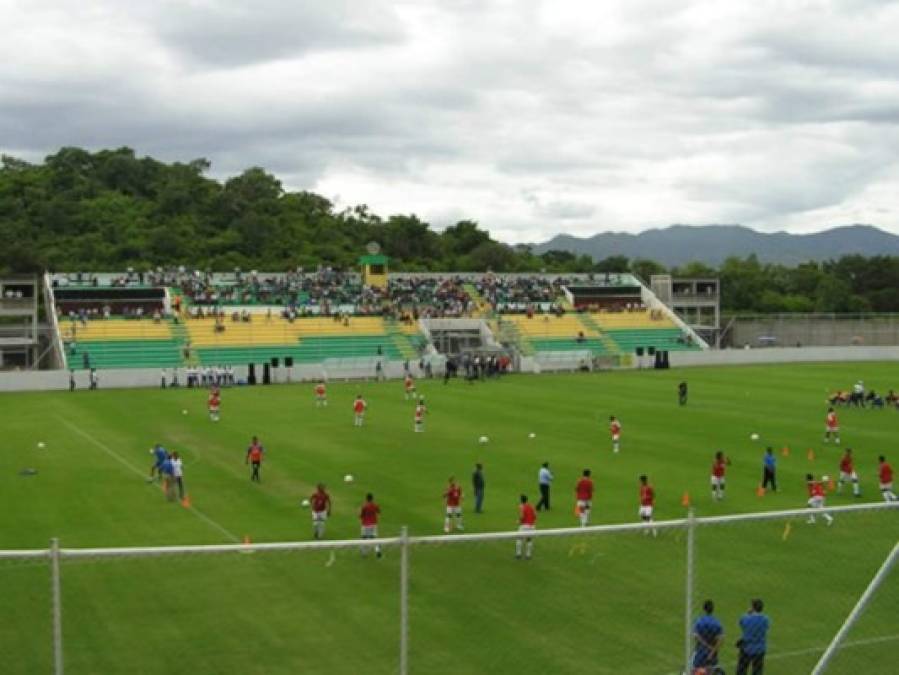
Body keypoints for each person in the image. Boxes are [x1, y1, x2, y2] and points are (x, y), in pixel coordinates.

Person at [736, 599, 770, 675]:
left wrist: (748, 613)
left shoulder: (746, 618)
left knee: (741, 670)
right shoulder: (765, 620)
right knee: (757, 671)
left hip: (746, 648)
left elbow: (741, 623)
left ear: (752, 608)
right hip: (759, 649)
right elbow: (766, 627)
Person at [692, 599, 724, 672]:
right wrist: (712, 651)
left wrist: (705, 645)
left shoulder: (699, 621)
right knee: (711, 671)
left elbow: (695, 636)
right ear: (713, 609)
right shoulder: (717, 622)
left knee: (696, 671)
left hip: (700, 652)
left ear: (703, 609)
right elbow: (720, 639)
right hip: (712, 654)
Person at [359, 493, 382, 558]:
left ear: (366, 499)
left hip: (365, 524)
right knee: (374, 538)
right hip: (374, 524)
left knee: (364, 538)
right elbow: (379, 512)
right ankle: (377, 550)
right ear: (372, 499)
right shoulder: (375, 505)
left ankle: (364, 553)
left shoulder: (364, 506)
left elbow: (361, 515)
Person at [515, 494, 537, 560]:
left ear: (521, 500)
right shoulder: (532, 506)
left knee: (519, 538)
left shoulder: (522, 506)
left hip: (524, 526)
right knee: (529, 539)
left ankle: (518, 554)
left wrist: (518, 521)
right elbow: (535, 515)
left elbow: (522, 516)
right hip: (532, 525)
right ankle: (528, 555)